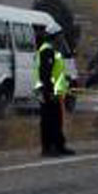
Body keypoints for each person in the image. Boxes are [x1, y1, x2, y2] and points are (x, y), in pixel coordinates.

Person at [35, 24, 75, 157]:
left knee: (57, 119)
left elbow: (56, 72)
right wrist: (50, 91)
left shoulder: (54, 51)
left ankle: (59, 145)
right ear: (54, 36)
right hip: (47, 91)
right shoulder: (46, 51)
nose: (62, 38)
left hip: (55, 91)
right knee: (48, 120)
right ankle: (47, 148)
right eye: (60, 35)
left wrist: (65, 80)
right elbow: (45, 74)